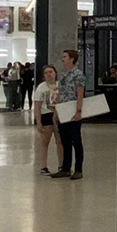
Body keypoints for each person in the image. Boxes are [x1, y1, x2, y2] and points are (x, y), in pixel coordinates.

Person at [54, 48, 87, 180]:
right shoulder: (63, 75)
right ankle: (66, 168)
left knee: (76, 141)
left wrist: (79, 111)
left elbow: (80, 94)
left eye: (65, 57)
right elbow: (60, 94)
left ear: (72, 59)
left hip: (73, 111)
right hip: (63, 110)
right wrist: (56, 110)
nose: (63, 59)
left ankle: (78, 169)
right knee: (65, 141)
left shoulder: (78, 75)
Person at [32, 64, 60, 173]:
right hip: (46, 115)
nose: (49, 74)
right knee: (44, 142)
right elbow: (37, 106)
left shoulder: (60, 85)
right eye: (46, 73)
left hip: (59, 115)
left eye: (51, 72)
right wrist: (38, 122)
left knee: (60, 141)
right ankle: (43, 166)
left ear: (55, 73)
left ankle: (61, 165)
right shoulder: (41, 88)